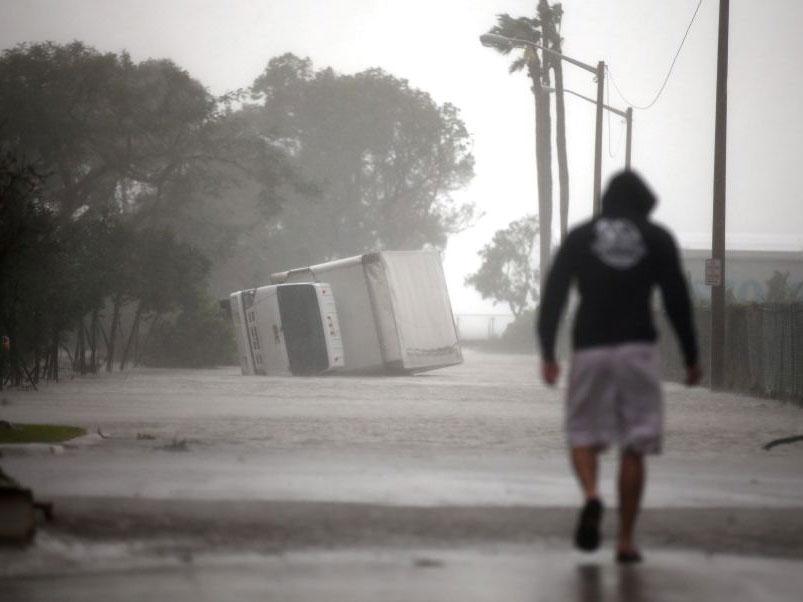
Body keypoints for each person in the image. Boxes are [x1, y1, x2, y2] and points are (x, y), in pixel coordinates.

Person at [536, 170, 701, 564]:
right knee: (635, 444)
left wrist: (547, 353)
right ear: (644, 202)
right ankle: (625, 540)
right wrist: (692, 355)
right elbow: (677, 298)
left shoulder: (580, 236)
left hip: (590, 348)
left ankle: (592, 496)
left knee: (581, 433)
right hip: (637, 348)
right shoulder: (656, 238)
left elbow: (555, 295)